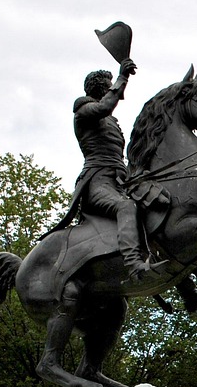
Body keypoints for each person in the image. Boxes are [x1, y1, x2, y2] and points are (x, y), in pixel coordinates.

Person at [66, 59, 158, 282]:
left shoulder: (109, 120)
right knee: (126, 206)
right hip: (98, 182)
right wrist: (122, 77)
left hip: (120, 180)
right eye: (109, 85)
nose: (113, 89)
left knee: (157, 204)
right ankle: (134, 263)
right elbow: (105, 106)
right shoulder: (83, 110)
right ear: (100, 88)